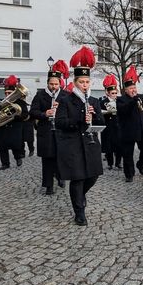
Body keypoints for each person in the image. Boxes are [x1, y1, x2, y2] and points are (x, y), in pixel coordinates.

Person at [55, 46, 104, 225]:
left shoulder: (94, 101)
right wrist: (78, 118)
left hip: (91, 144)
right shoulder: (66, 100)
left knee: (93, 176)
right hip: (73, 144)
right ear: (75, 82)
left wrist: (95, 115)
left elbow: (101, 123)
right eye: (81, 82)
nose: (85, 85)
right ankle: (79, 211)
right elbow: (59, 123)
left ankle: (80, 196)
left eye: (87, 82)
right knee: (78, 178)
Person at [30, 60, 69, 195]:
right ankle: (48, 186)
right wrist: (44, 113)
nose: (54, 87)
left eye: (56, 84)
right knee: (47, 159)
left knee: (61, 156)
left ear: (60, 83)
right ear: (47, 83)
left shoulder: (65, 95)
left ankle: (60, 176)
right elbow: (33, 111)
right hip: (45, 131)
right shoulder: (40, 95)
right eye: (51, 84)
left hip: (60, 131)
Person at [117, 65, 143, 183]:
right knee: (128, 154)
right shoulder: (121, 100)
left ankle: (140, 164)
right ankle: (129, 174)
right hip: (128, 131)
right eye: (130, 88)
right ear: (125, 90)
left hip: (141, 130)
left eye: (134, 87)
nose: (133, 90)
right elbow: (123, 110)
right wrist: (133, 102)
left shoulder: (140, 97)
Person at [0, 75, 28, 169]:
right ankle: (5, 164)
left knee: (15, 145)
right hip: (2, 127)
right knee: (2, 147)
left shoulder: (20, 103)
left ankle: (18, 158)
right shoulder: (0, 103)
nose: (7, 95)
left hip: (14, 126)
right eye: (6, 93)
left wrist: (16, 115)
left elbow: (25, 115)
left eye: (10, 93)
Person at [99, 74, 121, 170]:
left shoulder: (120, 101)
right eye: (112, 93)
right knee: (108, 146)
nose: (114, 95)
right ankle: (110, 163)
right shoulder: (102, 102)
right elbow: (99, 113)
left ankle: (118, 163)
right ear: (107, 93)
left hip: (118, 126)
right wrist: (107, 112)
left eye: (115, 93)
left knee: (119, 145)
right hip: (108, 126)